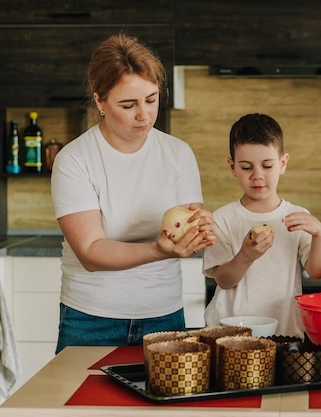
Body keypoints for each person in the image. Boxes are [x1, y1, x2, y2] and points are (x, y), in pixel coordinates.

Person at [50, 33, 215, 353]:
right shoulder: (74, 160)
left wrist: (202, 229)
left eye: (151, 99)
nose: (144, 115)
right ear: (100, 101)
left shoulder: (177, 154)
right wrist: (158, 250)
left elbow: (188, 228)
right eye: (128, 104)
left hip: (163, 315)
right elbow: (91, 252)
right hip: (91, 319)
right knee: (84, 404)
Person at [203, 113, 321, 338]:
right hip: (231, 333)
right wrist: (246, 255)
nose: (257, 176)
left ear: (282, 164)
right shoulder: (222, 219)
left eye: (267, 165)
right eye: (246, 167)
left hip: (284, 331)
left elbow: (317, 272)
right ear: (232, 167)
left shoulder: (296, 217)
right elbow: (223, 280)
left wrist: (319, 234)